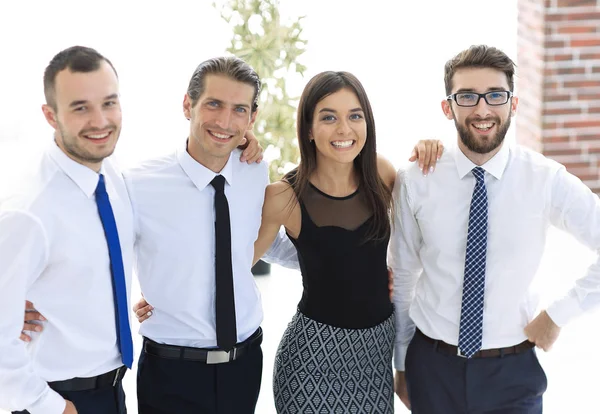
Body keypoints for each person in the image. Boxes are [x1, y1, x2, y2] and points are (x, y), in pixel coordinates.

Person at [390, 44, 600, 414]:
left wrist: (559, 315)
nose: (482, 110)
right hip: (432, 366)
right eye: (467, 96)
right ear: (448, 107)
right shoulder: (417, 180)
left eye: (495, 96)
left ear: (513, 104)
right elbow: (405, 277)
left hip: (513, 373)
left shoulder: (545, 180)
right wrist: (402, 363)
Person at [251, 71, 430, 414]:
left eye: (355, 116)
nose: (344, 129)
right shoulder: (283, 197)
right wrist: (161, 296)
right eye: (329, 117)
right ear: (307, 128)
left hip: (375, 356)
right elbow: (232, 266)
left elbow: (425, 229)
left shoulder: (382, 173)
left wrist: (428, 150)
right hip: (310, 361)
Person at [0, 46, 133, 414]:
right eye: (80, 107)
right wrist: (50, 407)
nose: (100, 120)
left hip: (112, 389)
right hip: (58, 398)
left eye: (109, 103)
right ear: (50, 114)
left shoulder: (112, 174)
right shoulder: (30, 209)